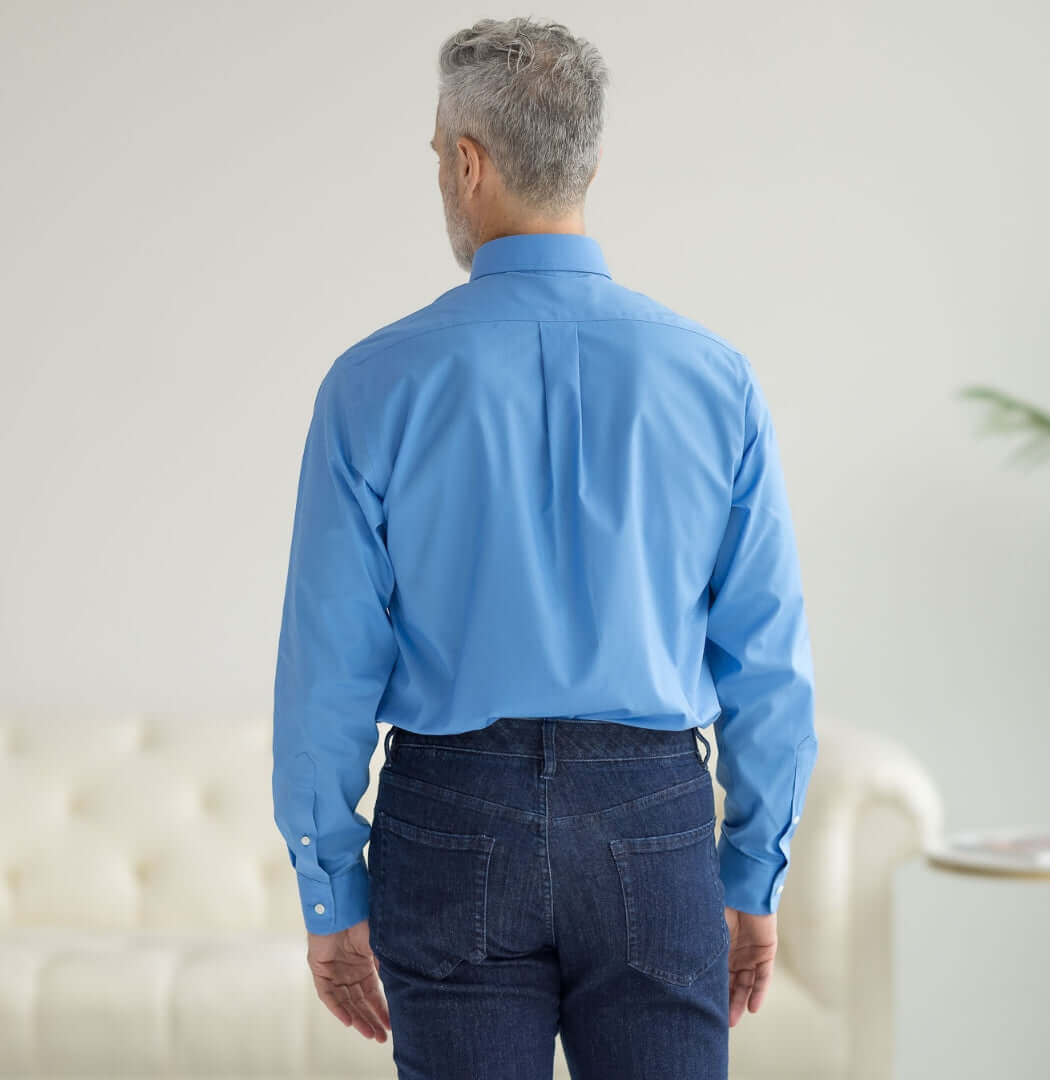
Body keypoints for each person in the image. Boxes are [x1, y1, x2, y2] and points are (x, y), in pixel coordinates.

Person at [272, 16, 817, 1080]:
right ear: (590, 163)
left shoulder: (373, 384)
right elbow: (770, 655)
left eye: (439, 152)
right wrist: (753, 870)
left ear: (468, 163)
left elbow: (326, 665)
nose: (440, 170)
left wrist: (330, 888)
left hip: (450, 816)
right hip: (653, 821)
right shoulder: (715, 380)